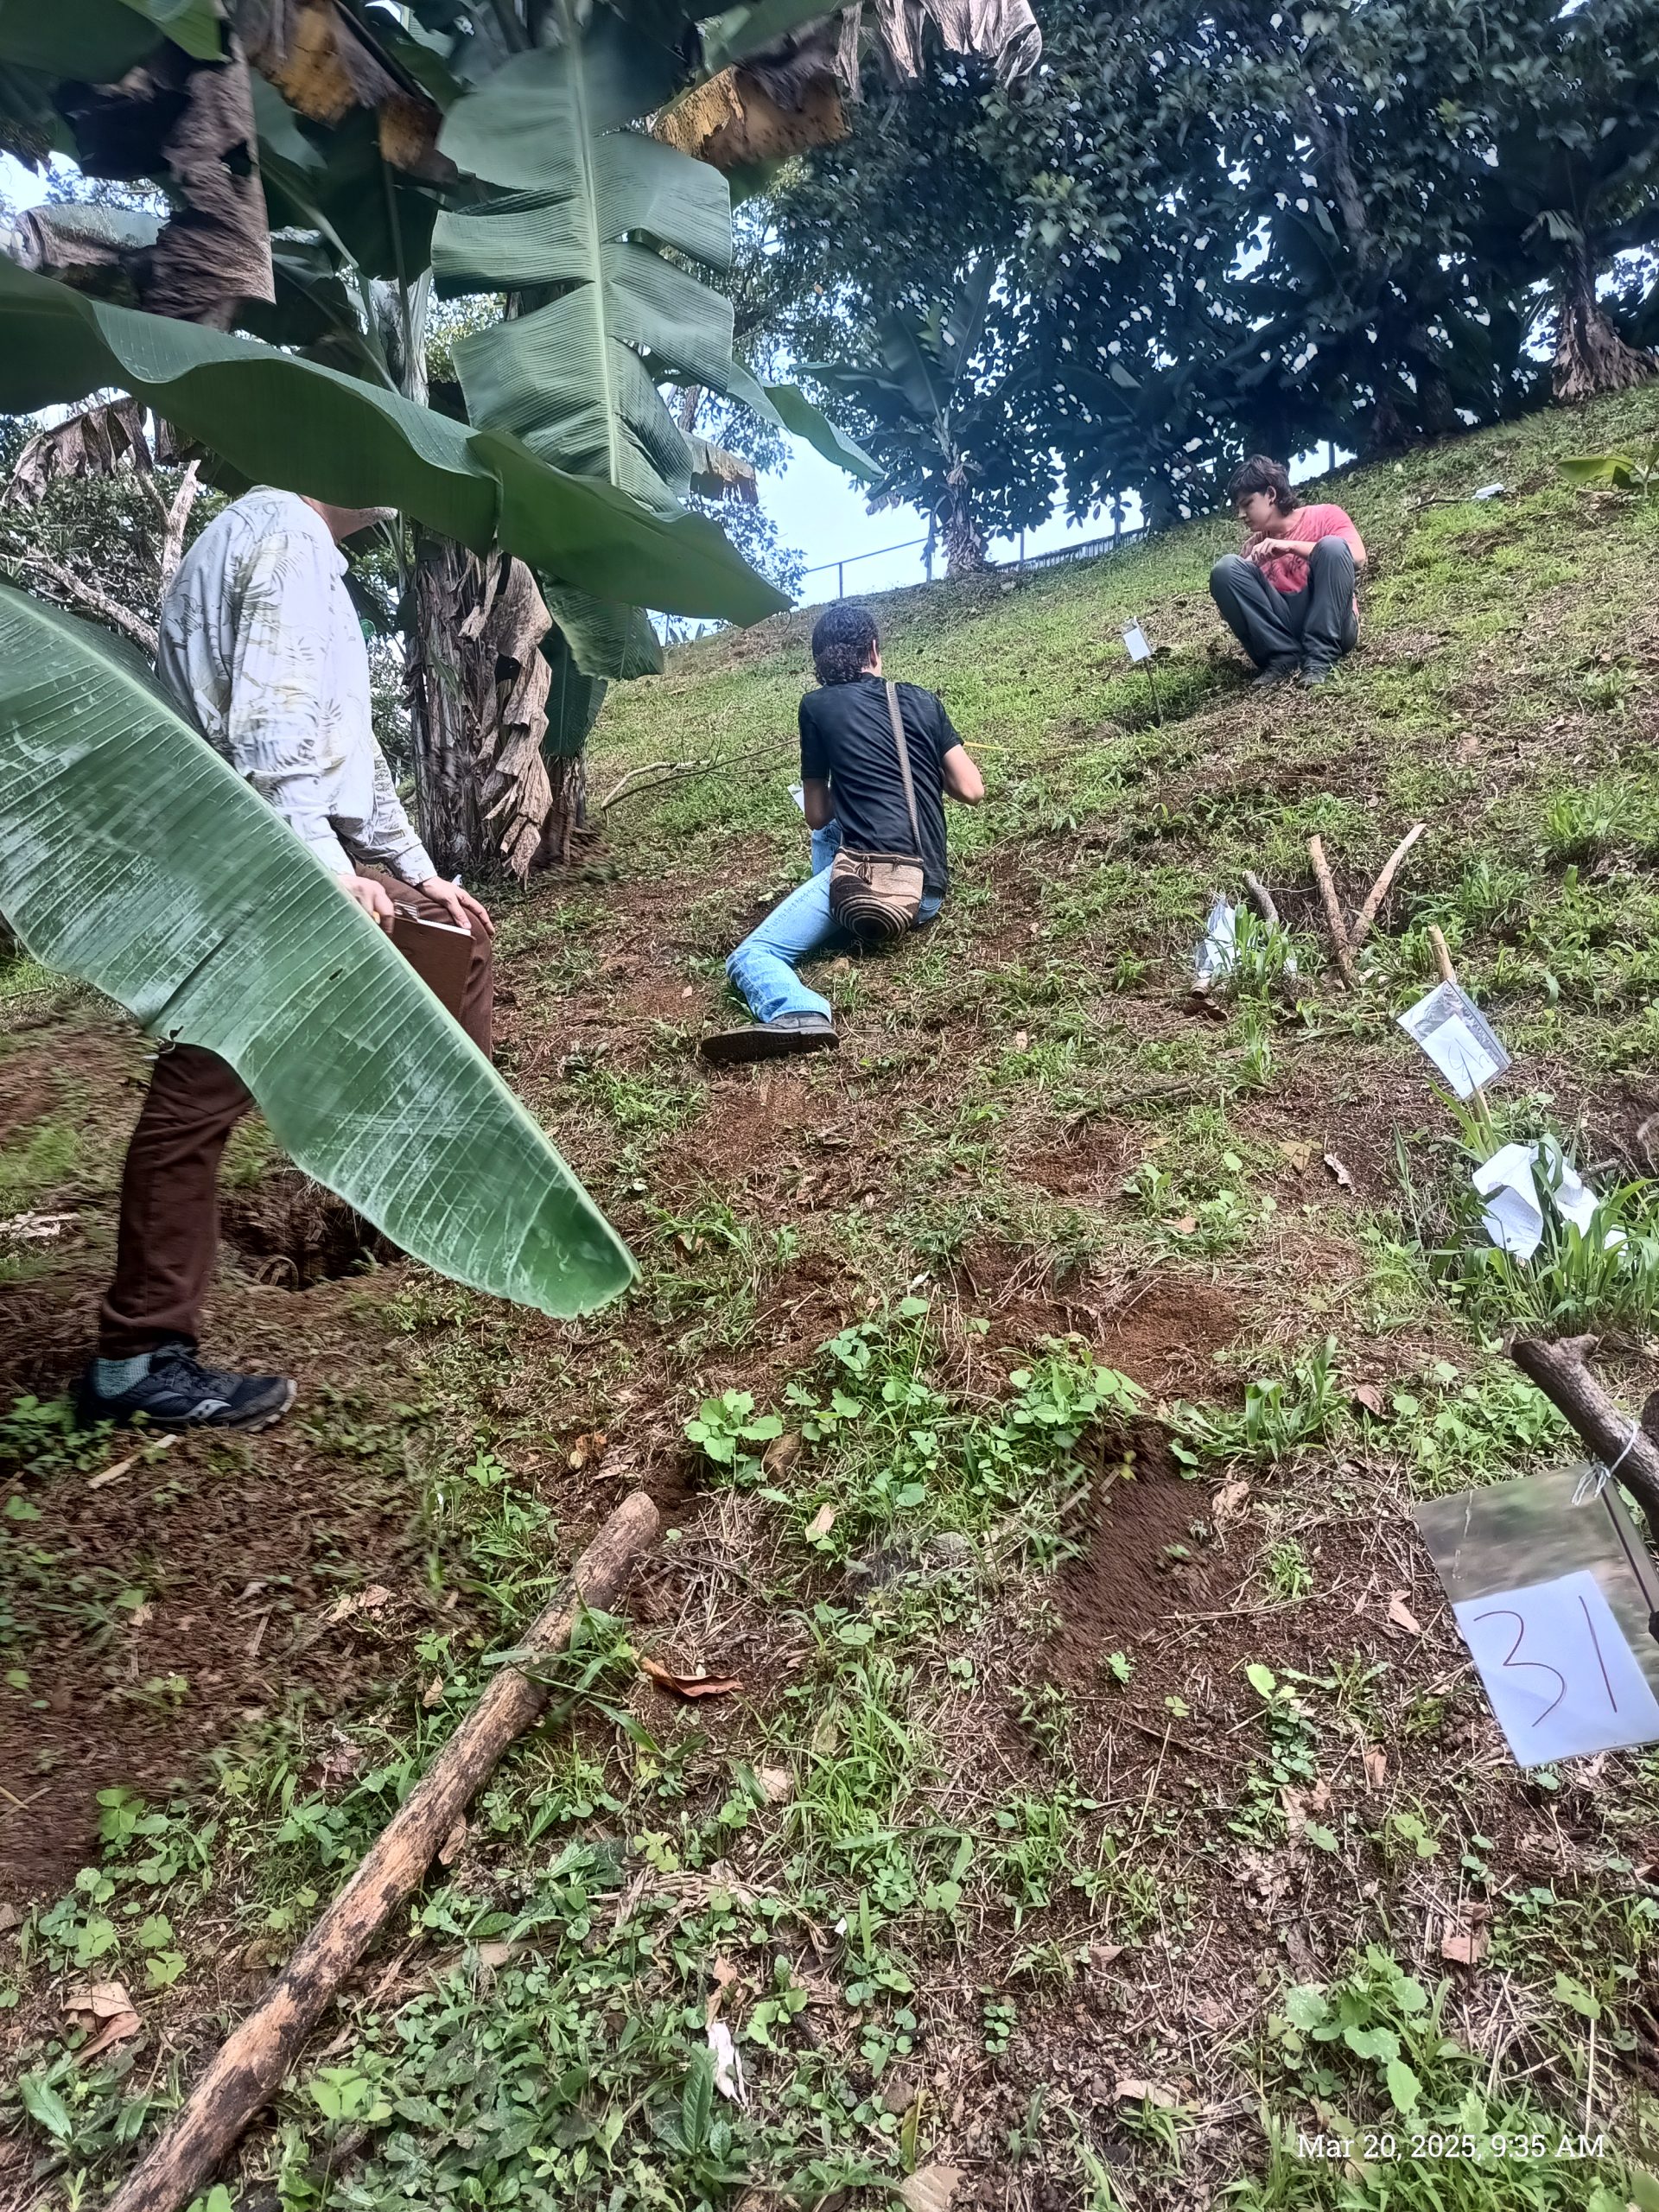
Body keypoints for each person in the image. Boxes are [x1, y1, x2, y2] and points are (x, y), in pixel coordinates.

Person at [77, 485, 496, 1433]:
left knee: (460, 940)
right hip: (254, 846)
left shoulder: (304, 551)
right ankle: (136, 1354)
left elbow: (350, 750)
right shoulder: (285, 536)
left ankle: (428, 1186)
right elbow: (268, 736)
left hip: (280, 838)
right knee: (204, 1078)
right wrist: (326, 865)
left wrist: (419, 871)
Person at [702, 602, 984, 1066]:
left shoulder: (816, 707)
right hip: (926, 891)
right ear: (873, 649)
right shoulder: (921, 699)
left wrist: (849, 778)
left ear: (821, 662)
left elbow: (816, 814)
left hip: (871, 884)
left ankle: (799, 1010)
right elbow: (971, 790)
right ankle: (837, 915)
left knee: (753, 956)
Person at [1210, 455, 1367, 688]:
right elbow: (1233, 614)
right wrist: (1248, 577)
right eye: (1238, 507)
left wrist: (1290, 546)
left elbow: (1357, 556)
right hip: (1286, 633)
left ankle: (1320, 658)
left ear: (1271, 495)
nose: (1241, 515)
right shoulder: (1252, 548)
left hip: (1335, 627)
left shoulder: (1325, 515)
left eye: (1247, 504)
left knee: (1332, 546)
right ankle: (1282, 659)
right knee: (1225, 569)